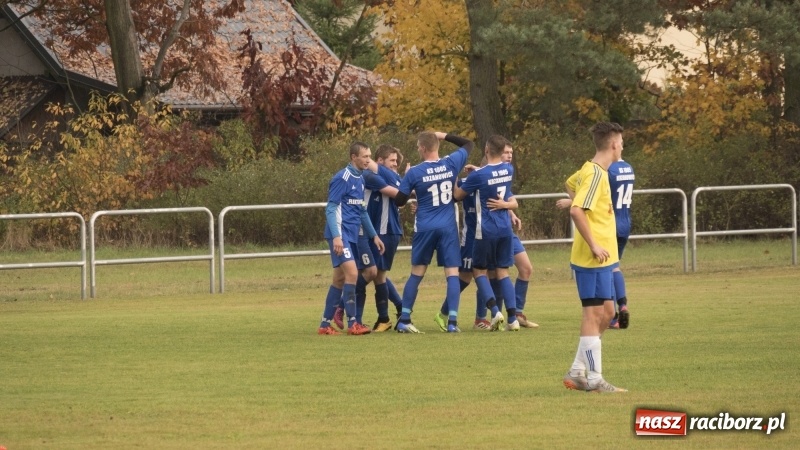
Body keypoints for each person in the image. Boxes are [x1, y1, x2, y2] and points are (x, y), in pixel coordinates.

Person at [560, 122, 627, 392]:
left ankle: (577, 370)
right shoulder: (596, 175)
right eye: (621, 142)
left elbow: (569, 184)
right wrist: (594, 244)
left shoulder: (590, 170)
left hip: (603, 259)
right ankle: (595, 378)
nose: (622, 146)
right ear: (613, 144)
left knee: (608, 313)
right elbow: (577, 211)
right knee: (592, 314)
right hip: (591, 258)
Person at [393, 131, 474, 333]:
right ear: (436, 146)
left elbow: (399, 201)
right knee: (452, 274)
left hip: (425, 227)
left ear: (422, 148)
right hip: (447, 227)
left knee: (417, 273)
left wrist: (409, 183)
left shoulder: (415, 172)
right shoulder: (451, 163)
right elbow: (468, 143)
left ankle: (404, 319)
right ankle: (452, 322)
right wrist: (443, 135)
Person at [452, 135, 520, 331]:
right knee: (503, 272)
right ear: (502, 152)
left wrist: (455, 177)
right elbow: (494, 178)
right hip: (505, 229)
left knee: (479, 271)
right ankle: (512, 319)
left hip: (486, 230)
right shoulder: (509, 169)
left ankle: (495, 310)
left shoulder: (478, 176)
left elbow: (457, 195)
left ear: (487, 150)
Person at [318, 142, 385, 336]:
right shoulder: (342, 177)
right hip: (340, 234)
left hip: (352, 235)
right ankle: (353, 323)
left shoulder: (361, 178)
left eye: (369, 156)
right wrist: (337, 237)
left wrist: (374, 236)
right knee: (353, 274)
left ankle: (324, 325)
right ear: (353, 157)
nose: (368, 160)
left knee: (339, 279)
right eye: (364, 156)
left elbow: (362, 210)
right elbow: (330, 208)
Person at [361, 144, 407, 332]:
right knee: (377, 273)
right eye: (392, 161)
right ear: (379, 161)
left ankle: (392, 314)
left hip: (387, 231)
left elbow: (401, 195)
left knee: (376, 273)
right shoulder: (372, 177)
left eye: (397, 161)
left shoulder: (392, 178)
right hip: (377, 232)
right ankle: (392, 314)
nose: (395, 164)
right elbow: (402, 193)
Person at [607, 157, 634, 329]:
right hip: (625, 222)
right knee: (615, 267)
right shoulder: (628, 168)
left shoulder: (609, 170)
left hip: (610, 224)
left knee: (606, 269)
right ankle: (622, 304)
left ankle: (613, 315)